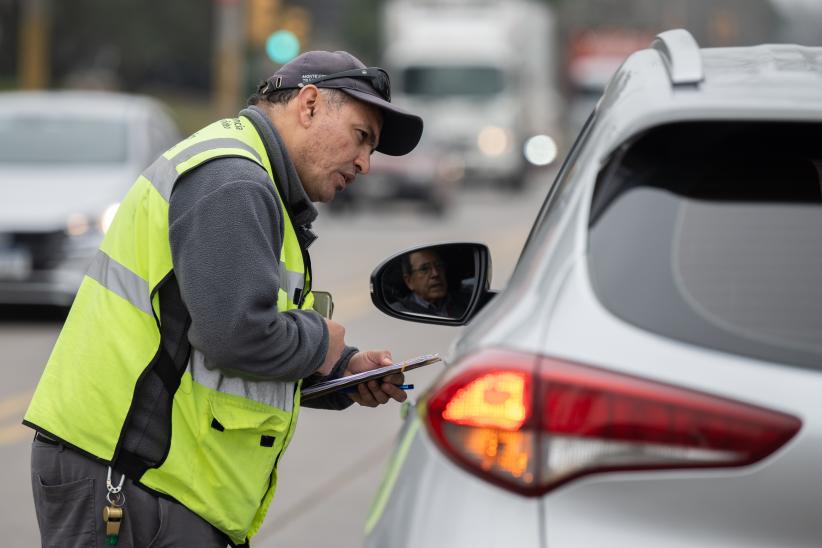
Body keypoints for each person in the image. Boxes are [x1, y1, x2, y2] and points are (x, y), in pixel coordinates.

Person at [23, 50, 423, 548]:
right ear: (311, 104)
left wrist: (339, 370)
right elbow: (236, 335)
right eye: (362, 137)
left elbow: (215, 353)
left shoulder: (252, 181)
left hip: (154, 484)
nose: (365, 163)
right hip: (128, 479)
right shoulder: (233, 181)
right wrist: (320, 340)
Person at [396, 248, 467, 318]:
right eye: (424, 269)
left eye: (439, 265)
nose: (435, 273)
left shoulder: (466, 302)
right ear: (409, 281)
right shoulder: (398, 314)